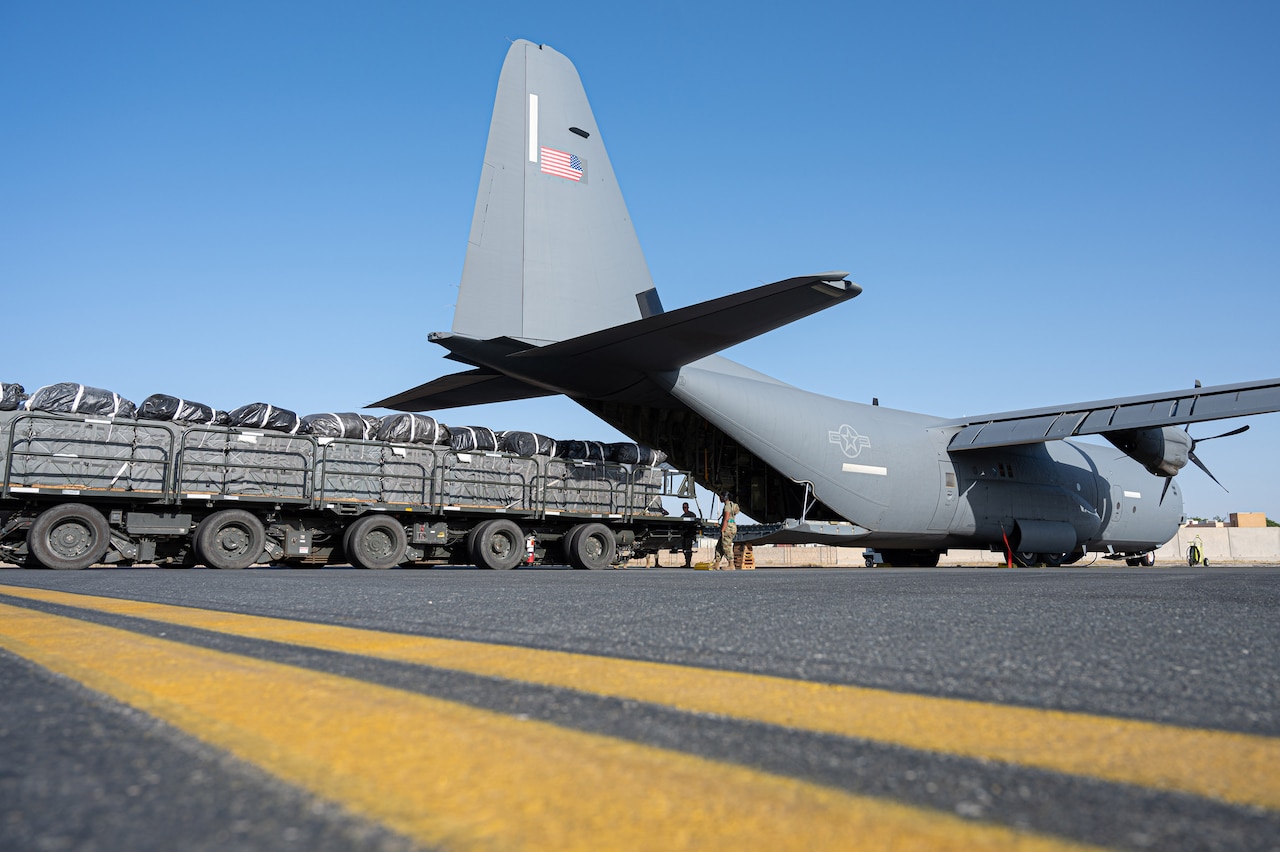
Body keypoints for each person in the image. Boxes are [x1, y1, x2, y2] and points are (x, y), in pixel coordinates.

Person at [708, 490, 740, 570]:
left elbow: (726, 519)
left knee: (726, 546)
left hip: (727, 528)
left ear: (725, 497)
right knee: (719, 546)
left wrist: (722, 530)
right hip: (731, 526)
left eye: (721, 496)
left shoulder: (727, 507)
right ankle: (717, 564)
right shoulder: (732, 505)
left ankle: (731, 565)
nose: (720, 498)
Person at [680, 502, 698, 567]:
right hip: (684, 535)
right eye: (683, 507)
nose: (684, 509)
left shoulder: (692, 514)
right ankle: (686, 562)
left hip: (689, 534)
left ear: (688, 507)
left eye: (685, 507)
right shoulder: (682, 516)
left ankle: (688, 563)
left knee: (688, 549)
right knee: (684, 549)